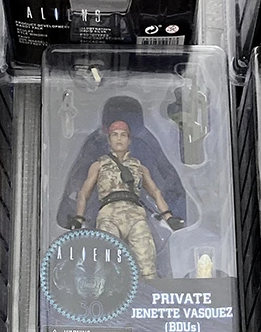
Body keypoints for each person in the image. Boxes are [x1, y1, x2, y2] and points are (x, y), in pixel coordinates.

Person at [70, 120, 184, 280]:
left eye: (123, 135)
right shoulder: (99, 165)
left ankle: (150, 293)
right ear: (109, 139)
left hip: (135, 216)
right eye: (115, 135)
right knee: (108, 263)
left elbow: (155, 192)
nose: (119, 139)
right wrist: (79, 218)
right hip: (109, 215)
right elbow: (84, 193)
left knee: (147, 263)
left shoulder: (139, 167)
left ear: (129, 140)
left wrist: (168, 217)